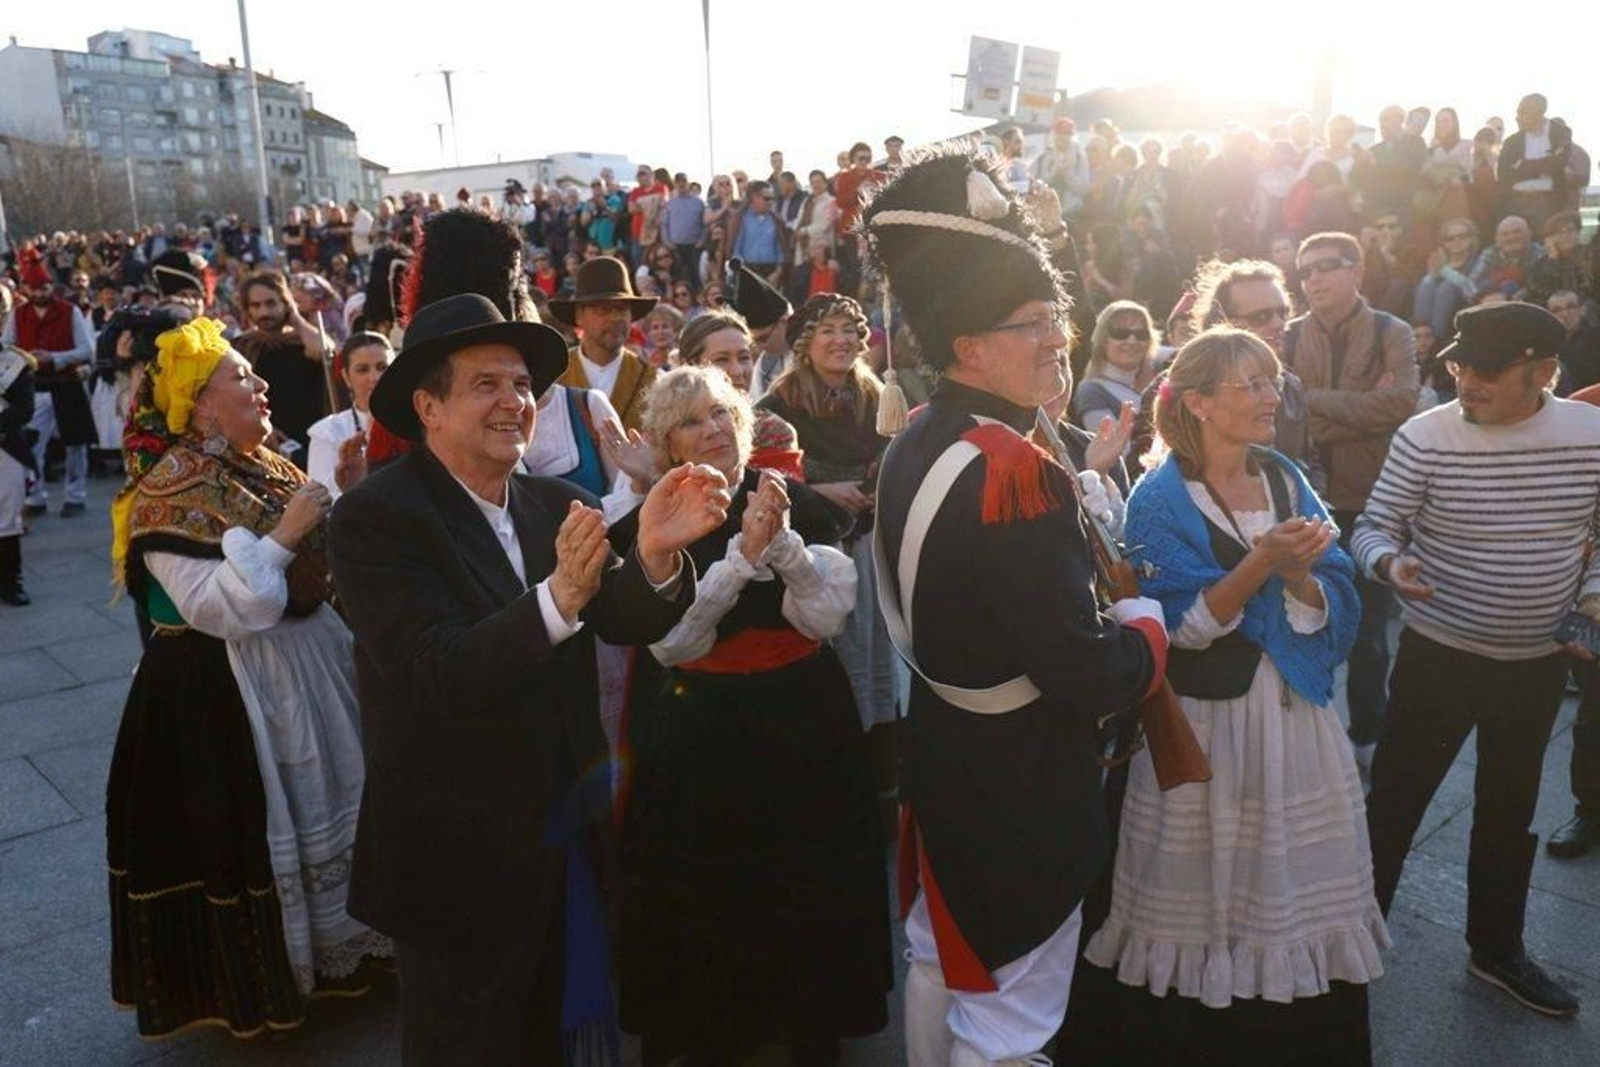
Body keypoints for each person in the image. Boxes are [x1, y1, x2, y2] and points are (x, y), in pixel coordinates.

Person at [327, 292, 730, 1062]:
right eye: (486, 384)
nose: (515, 401)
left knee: (558, 1036)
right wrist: (557, 599)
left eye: (522, 385)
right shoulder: (375, 518)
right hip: (454, 861)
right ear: (427, 406)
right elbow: (433, 670)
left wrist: (654, 553)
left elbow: (626, 615)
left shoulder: (561, 502)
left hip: (564, 841)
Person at [861, 147, 1168, 1066]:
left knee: (936, 960)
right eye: (1032, 322)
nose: (1056, 338)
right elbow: (1081, 673)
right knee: (1010, 1018)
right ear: (968, 345)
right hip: (1021, 780)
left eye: (1056, 317)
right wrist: (1147, 629)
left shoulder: (922, 434)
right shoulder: (1013, 470)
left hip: (951, 753)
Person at [1077, 328, 1384, 1064]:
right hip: (1209, 725)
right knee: (1211, 880)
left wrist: (1303, 575)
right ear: (1202, 402)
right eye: (1249, 383)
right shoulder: (1159, 499)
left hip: (1294, 718)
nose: (1269, 395)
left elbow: (1335, 585)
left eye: (1271, 380)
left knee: (1291, 881)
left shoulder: (1284, 475)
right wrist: (1263, 563)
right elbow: (1178, 628)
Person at [106, 318, 390, 1039]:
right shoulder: (165, 493)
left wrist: (346, 493)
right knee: (269, 822)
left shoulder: (266, 465)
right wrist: (289, 531)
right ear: (200, 404)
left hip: (307, 670)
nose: (261, 384)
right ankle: (274, 975)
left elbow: (321, 562)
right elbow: (221, 606)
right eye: (240, 376)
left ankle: (346, 947)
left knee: (332, 796)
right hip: (228, 690)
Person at [616, 366, 890, 1063]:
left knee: (808, 879)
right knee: (712, 885)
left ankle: (810, 1018)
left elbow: (826, 614)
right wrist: (740, 559)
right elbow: (675, 643)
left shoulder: (797, 502)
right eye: (692, 421)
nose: (712, 429)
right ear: (669, 444)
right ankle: (714, 1026)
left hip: (804, 722)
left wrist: (783, 544)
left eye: (721, 414)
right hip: (701, 731)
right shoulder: (651, 526)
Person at [1354, 302, 1599, 1019]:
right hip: (1438, 657)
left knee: (1509, 809)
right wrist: (1390, 563)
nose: (1468, 383)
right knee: (1395, 804)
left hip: (1533, 669)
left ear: (1544, 370)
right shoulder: (1424, 435)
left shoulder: (1590, 436)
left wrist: (1590, 597)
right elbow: (1372, 525)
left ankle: (1496, 949)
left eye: (1489, 372)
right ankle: (1352, 942)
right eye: (1460, 366)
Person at [1283, 231, 1418, 775]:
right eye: (1305, 269)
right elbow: (1285, 415)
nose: (1313, 278)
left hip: (1372, 504)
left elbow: (1402, 403)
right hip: (1306, 501)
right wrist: (1360, 411)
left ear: (1357, 271)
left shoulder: (1392, 331)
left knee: (1368, 639)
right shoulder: (1289, 337)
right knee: (1303, 624)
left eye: (1327, 267)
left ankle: (1368, 738)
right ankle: (1306, 743)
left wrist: (1313, 403)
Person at [757, 295, 900, 789]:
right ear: (805, 342)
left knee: (880, 666)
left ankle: (880, 780)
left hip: (874, 550)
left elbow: (896, 460)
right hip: (816, 559)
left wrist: (879, 487)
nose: (842, 340)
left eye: (849, 330)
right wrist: (816, 490)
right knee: (834, 665)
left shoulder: (878, 397)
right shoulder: (777, 407)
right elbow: (759, 479)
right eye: (828, 331)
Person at [4, 250, 95, 516]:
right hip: (35, 386)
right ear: (26, 289)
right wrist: (27, 359)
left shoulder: (70, 311)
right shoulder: (18, 315)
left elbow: (85, 349)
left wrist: (54, 358)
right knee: (32, 444)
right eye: (34, 288)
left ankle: (75, 496)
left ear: (51, 287)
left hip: (66, 382)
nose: (39, 292)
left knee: (75, 444)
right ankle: (35, 496)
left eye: (43, 287)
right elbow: (8, 347)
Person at [676, 308, 804, 479]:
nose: (737, 371)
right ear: (689, 366)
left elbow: (781, 499)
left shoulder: (771, 431)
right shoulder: (666, 429)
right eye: (721, 360)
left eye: (744, 358)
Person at [549, 257, 660, 431]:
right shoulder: (554, 378)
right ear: (579, 315)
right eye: (603, 309)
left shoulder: (654, 380)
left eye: (622, 309)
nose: (615, 318)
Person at [233, 270, 331, 465]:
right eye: (256, 305)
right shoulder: (242, 346)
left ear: (285, 304)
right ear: (248, 309)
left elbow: (324, 352)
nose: (264, 312)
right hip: (264, 441)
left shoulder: (302, 341)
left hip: (312, 439)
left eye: (271, 303)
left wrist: (295, 318)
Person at [306, 332, 392, 500]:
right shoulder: (328, 433)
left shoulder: (420, 421)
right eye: (362, 370)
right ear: (346, 377)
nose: (375, 377)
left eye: (383, 367)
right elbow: (321, 501)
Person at [0, 287, 36, 605]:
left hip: (4, 447)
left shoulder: (15, 362)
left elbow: (24, 410)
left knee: (7, 518)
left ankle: (11, 582)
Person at [1073, 300, 1158, 434]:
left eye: (1141, 335)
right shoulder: (1091, 392)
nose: (1132, 341)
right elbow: (1113, 449)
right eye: (1120, 333)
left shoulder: (1155, 384)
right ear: (1103, 339)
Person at [1497, 93, 1571, 231]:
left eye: (1522, 113)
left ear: (1537, 113)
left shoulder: (1560, 133)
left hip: (1549, 202)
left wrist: (1522, 166)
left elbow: (1558, 164)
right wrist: (1545, 165)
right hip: (1517, 202)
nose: (1517, 118)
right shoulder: (1512, 142)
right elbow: (1504, 174)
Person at [1413, 218, 1481, 340]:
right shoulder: (1441, 262)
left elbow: (1472, 291)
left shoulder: (1478, 261)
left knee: (1446, 287)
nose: (1456, 241)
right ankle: (1419, 336)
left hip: (1464, 307)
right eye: (1450, 238)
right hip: (1436, 310)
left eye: (1462, 236)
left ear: (1471, 239)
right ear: (1444, 243)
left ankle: (1436, 340)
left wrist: (1444, 270)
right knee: (1426, 284)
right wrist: (1433, 275)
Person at [1548, 289, 1600, 397]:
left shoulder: (1596, 336)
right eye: (1557, 310)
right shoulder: (1547, 343)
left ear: (1582, 310)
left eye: (1570, 307)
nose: (1565, 314)